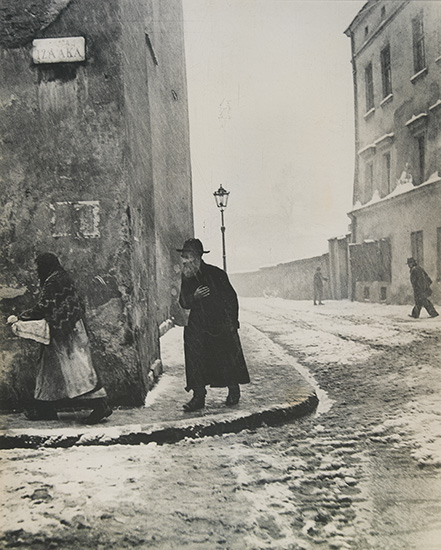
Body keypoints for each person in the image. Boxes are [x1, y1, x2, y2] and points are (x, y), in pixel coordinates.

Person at [16, 253, 112, 424]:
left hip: (66, 333)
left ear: (46, 266)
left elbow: (45, 306)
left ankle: (101, 404)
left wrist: (23, 316)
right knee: (50, 369)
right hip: (70, 327)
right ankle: (45, 408)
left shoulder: (53, 281)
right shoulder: (62, 276)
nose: (37, 271)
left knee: (78, 370)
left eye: (39, 267)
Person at [177, 238, 250, 412]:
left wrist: (232, 322)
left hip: (219, 325)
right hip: (197, 326)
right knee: (195, 360)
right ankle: (198, 397)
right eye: (183, 257)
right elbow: (183, 302)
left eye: (188, 257)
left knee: (225, 358)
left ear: (197, 257)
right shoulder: (186, 276)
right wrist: (194, 297)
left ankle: (233, 390)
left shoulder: (216, 274)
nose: (184, 261)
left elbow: (231, 298)